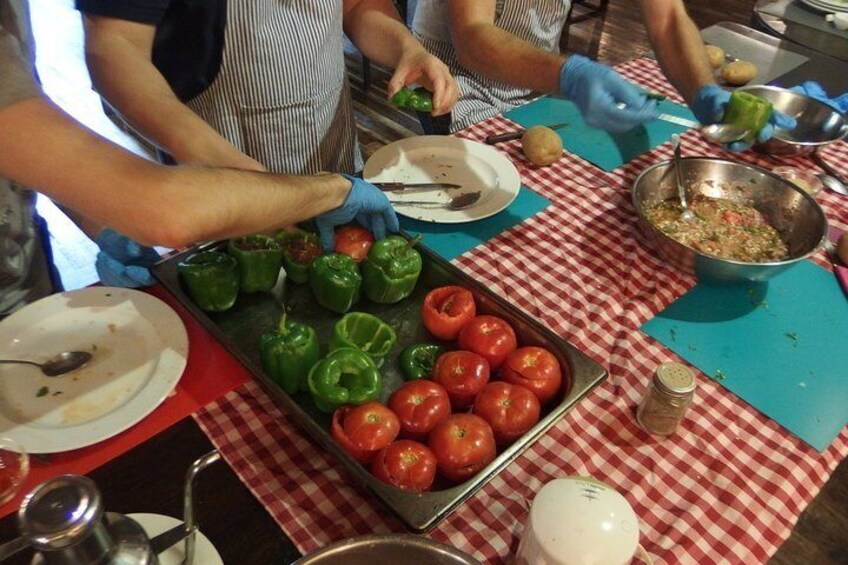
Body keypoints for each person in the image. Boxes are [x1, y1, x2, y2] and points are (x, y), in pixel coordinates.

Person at [0, 0, 397, 315]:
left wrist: (96, 214)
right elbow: (171, 212)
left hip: (24, 274)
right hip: (224, 171)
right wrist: (331, 191)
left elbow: (23, 137)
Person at [76, 0, 459, 174]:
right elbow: (115, 47)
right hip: (221, 167)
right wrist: (221, 166)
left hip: (333, 151)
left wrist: (406, 48)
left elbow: (356, 6)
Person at [411, 0, 793, 146]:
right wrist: (570, 75)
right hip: (457, 85)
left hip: (532, 81)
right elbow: (473, 35)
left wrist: (703, 91)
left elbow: (669, 19)